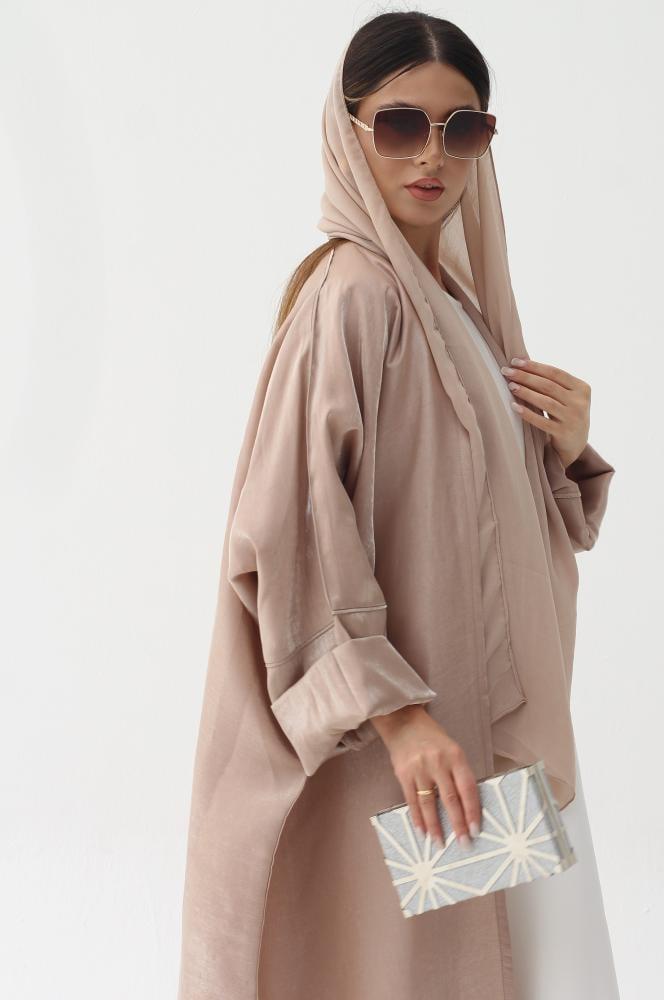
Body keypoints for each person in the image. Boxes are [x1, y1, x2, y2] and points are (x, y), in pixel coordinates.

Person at [178, 12, 619, 1000]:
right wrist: (401, 716)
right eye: (400, 124)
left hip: (487, 740)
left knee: (515, 967)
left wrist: (563, 443)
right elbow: (294, 536)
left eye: (461, 130)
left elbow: (489, 525)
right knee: (431, 969)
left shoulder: (451, 301)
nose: (431, 156)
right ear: (348, 130)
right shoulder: (353, 298)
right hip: (415, 747)